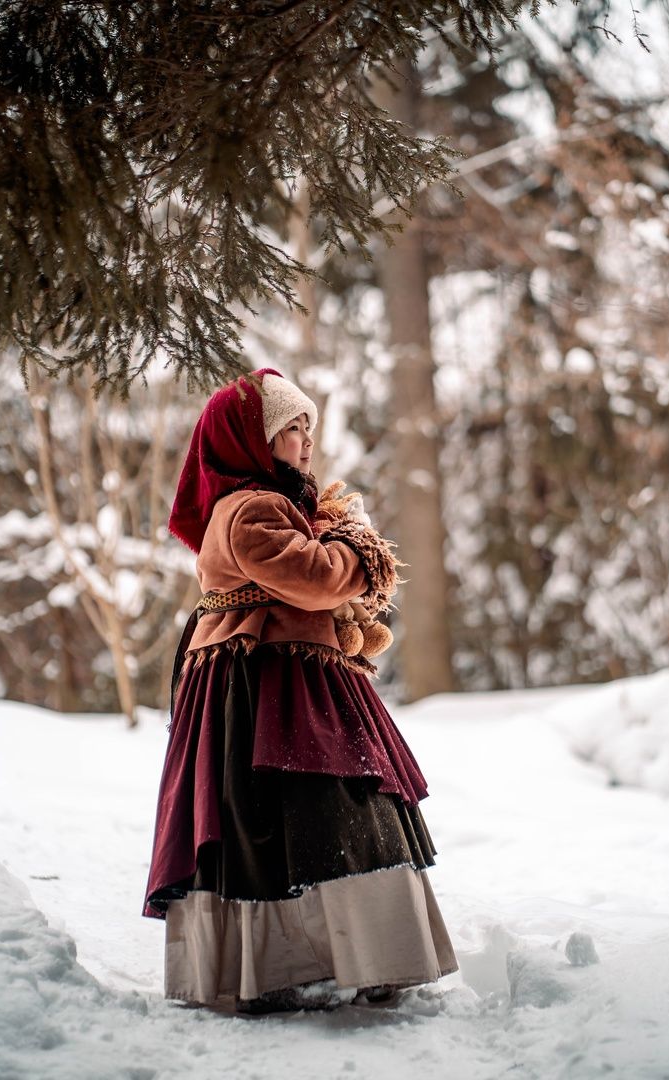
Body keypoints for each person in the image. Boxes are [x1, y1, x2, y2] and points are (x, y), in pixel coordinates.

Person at [143, 367, 457, 1013]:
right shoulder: (251, 508)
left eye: (308, 426)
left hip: (280, 672)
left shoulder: (271, 502)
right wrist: (354, 546)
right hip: (269, 681)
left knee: (304, 815)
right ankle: (334, 959)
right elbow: (315, 578)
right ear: (252, 441)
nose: (306, 439)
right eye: (290, 427)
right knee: (324, 809)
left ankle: (305, 961)